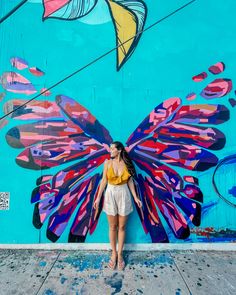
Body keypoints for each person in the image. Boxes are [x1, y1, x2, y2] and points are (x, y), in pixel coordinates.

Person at [93, 141, 142, 271]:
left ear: (119, 150)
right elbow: (103, 181)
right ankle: (113, 253)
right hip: (110, 193)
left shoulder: (127, 163)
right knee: (112, 226)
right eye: (110, 148)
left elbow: (130, 181)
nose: (110, 150)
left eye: (112, 148)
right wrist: (98, 198)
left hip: (124, 193)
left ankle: (120, 254)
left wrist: (136, 197)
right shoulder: (107, 163)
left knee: (122, 226)